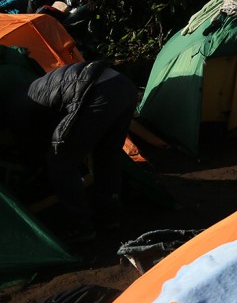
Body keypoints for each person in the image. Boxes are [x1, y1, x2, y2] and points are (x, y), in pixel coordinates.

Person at [5, 61, 138, 244]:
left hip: (97, 91)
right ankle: (110, 217)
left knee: (60, 162)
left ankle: (81, 226)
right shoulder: (32, 90)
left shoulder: (15, 109)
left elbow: (36, 143)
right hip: (124, 85)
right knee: (107, 155)